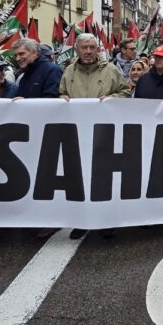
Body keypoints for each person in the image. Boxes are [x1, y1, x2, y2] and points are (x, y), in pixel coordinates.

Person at [59, 33, 130, 240]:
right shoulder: (69, 71)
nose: (89, 51)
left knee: (105, 179)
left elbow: (125, 92)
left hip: (105, 134)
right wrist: (62, 97)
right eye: (84, 48)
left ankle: (108, 221)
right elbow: (61, 93)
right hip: (78, 135)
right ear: (77, 50)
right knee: (80, 179)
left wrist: (111, 99)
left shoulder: (111, 70)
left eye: (92, 47)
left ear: (97, 49)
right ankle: (82, 221)